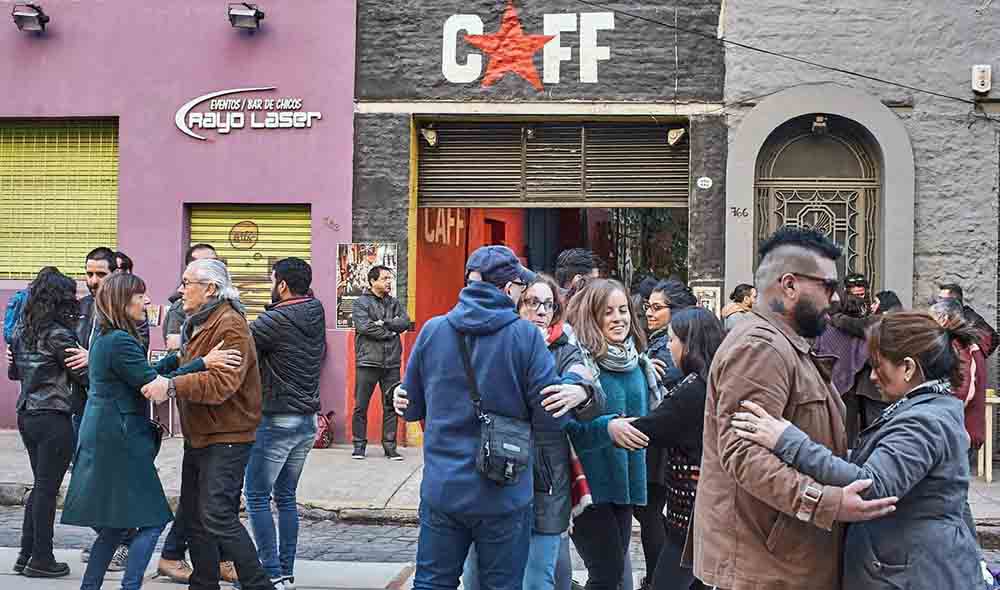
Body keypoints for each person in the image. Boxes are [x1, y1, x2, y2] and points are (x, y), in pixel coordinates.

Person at [692, 227, 897, 590]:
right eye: (828, 287)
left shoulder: (787, 344)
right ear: (789, 286)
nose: (835, 299)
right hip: (766, 565)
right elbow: (743, 454)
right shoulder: (761, 348)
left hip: (784, 558)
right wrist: (826, 503)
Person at [731, 312, 986, 590]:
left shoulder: (923, 421)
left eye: (877, 365)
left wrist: (787, 441)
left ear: (909, 368)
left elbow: (871, 483)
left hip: (911, 573)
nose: (873, 376)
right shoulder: (929, 408)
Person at [393, 245, 594, 590]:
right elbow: (550, 418)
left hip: (443, 488)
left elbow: (410, 408)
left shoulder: (433, 330)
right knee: (502, 584)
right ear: (509, 288)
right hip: (504, 489)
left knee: (431, 582)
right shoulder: (525, 336)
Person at [61, 272, 241, 590]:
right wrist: (202, 361)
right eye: (140, 295)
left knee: (116, 527)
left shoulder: (106, 336)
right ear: (123, 300)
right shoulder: (118, 340)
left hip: (108, 434)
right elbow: (149, 383)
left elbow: (142, 372)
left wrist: (179, 358)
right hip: (120, 439)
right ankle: (130, 586)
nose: (147, 301)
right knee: (154, 520)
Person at [140, 258, 273, 590]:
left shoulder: (230, 325)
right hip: (201, 435)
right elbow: (191, 363)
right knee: (196, 518)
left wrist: (172, 386)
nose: (180, 290)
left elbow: (220, 385)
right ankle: (203, 584)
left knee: (217, 516)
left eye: (188, 283)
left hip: (227, 435)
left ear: (211, 289)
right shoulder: (199, 322)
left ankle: (259, 584)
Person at [462, 274, 602, 590]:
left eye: (548, 304)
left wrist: (582, 392)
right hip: (495, 467)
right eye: (532, 302)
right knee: (479, 575)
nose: (541, 310)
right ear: (518, 304)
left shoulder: (566, 347)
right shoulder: (494, 341)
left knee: (538, 578)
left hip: (546, 476)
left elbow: (589, 388)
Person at [610, 306, 725, 590]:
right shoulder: (717, 381)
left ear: (689, 343)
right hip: (708, 509)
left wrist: (609, 424)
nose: (670, 346)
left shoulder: (693, 390)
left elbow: (650, 427)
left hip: (689, 514)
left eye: (673, 340)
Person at [562, 279, 663, 590]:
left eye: (623, 311)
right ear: (592, 317)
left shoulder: (640, 364)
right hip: (588, 487)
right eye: (608, 312)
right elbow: (566, 427)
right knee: (606, 574)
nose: (619, 318)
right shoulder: (579, 366)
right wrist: (607, 427)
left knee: (615, 575)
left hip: (626, 485)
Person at [246, 258, 327, 589]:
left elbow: (241, 349)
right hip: (307, 421)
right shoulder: (316, 310)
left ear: (281, 285)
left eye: (271, 280)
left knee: (255, 495)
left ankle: (271, 571)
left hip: (278, 418)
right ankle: (286, 571)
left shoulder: (272, 321)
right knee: (286, 497)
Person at [155, 242, 232, 585]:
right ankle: (177, 555)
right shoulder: (182, 311)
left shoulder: (224, 318)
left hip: (212, 426)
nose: (184, 288)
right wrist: (187, 368)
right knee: (205, 506)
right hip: (201, 424)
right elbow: (178, 357)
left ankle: (206, 562)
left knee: (203, 504)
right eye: (187, 278)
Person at [8, 269, 86, 579]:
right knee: (46, 490)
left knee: (41, 486)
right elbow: (83, 376)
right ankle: (42, 557)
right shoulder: (58, 334)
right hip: (53, 415)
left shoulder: (21, 331)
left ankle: (26, 554)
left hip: (27, 414)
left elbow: (15, 374)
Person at [633, 278, 694, 590]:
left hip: (663, 446)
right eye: (648, 307)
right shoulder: (657, 342)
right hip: (665, 446)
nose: (649, 313)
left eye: (657, 308)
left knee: (653, 514)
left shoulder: (668, 348)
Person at [351, 265, 411, 460]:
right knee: (361, 406)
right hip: (368, 361)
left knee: (391, 406)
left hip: (391, 362)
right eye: (384, 278)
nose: (388, 282)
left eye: (389, 278)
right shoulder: (361, 303)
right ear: (372, 281)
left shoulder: (394, 302)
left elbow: (404, 322)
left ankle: (390, 447)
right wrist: (391, 332)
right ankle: (359, 446)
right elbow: (365, 327)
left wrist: (384, 323)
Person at [930, 300, 987, 480]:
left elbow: (962, 391)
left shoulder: (960, 346)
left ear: (944, 319)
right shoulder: (958, 344)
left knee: (953, 493)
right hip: (958, 429)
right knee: (953, 493)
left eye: (931, 319)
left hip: (961, 430)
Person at [162, 243, 218, 352]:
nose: (215, 267)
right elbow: (174, 353)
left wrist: (182, 340)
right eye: (207, 263)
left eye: (216, 262)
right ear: (191, 268)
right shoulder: (180, 308)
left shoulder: (228, 299)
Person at [939, 282, 999, 358]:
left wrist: (977, 356)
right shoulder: (943, 316)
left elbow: (994, 338)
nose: (938, 302)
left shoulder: (969, 317)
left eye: (942, 299)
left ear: (953, 300)